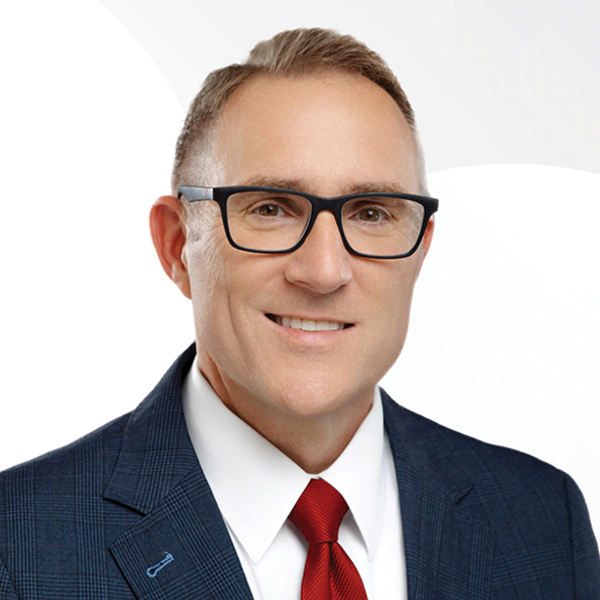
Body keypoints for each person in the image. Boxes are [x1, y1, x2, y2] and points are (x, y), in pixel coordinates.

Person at [0, 27, 598, 600]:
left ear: (420, 250)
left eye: (371, 213)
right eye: (271, 209)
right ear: (178, 246)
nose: (323, 271)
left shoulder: (544, 519)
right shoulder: (19, 547)